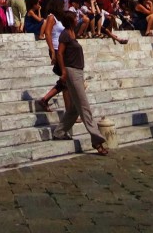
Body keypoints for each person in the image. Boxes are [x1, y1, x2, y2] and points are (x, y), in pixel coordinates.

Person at [42, 13, 109, 155]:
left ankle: (59, 132)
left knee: (74, 108)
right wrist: (64, 71)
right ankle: (96, 140)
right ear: (70, 21)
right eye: (75, 17)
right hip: (72, 72)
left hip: (78, 71)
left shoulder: (73, 32)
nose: (77, 18)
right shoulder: (65, 34)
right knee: (84, 106)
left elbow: (85, 20)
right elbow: (60, 53)